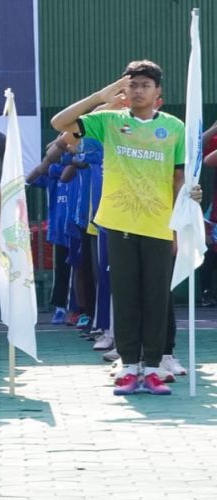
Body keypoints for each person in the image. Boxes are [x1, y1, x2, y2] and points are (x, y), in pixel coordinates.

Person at [51, 60, 194, 396]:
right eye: (132, 85)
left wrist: (177, 227)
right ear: (123, 90)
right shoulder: (109, 121)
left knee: (156, 298)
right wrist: (99, 97)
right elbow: (59, 123)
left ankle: (154, 368)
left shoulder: (174, 128)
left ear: (158, 91)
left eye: (145, 85)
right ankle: (129, 366)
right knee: (125, 295)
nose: (138, 90)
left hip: (159, 226)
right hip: (117, 223)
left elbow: (179, 178)